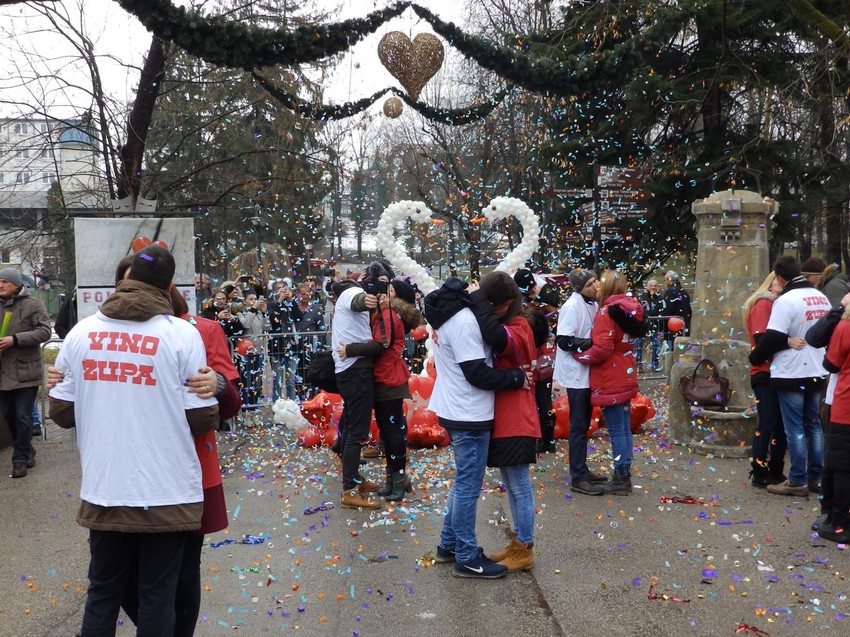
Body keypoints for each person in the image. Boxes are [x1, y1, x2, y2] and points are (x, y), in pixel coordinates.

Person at [48, 246, 220, 636]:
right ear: (169, 285)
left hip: (105, 488)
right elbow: (200, 418)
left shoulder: (81, 332)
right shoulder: (181, 334)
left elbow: (60, 413)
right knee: (157, 596)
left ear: (125, 281)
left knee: (103, 593)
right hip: (167, 491)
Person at [425, 277, 527, 579]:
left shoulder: (449, 315)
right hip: (468, 411)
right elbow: (476, 372)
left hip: (458, 407)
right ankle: (466, 557)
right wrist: (515, 378)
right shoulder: (466, 322)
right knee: (468, 486)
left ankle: (449, 544)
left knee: (463, 483)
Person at [469, 271, 541, 572]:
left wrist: (477, 301)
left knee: (519, 485)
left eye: (493, 304)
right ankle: (518, 543)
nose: (489, 310)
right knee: (513, 486)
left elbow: (497, 339)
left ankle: (524, 546)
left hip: (517, 419)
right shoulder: (514, 322)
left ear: (508, 303)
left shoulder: (520, 326)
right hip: (509, 419)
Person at [749, 256, 829, 497]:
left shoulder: (786, 300)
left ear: (781, 278)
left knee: (794, 427)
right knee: (814, 425)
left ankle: (796, 480)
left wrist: (755, 358)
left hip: (792, 371)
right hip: (817, 368)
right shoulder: (821, 297)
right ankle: (815, 476)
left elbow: (772, 336)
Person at [337, 278, 421, 501]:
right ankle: (393, 479)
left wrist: (350, 349)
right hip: (384, 376)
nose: (383, 294)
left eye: (389, 291)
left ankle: (399, 477)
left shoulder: (389, 314)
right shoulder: (384, 313)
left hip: (389, 378)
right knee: (387, 431)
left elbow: (381, 344)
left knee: (392, 431)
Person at [574, 269, 646, 495]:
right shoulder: (631, 309)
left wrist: (579, 356)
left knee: (617, 429)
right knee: (623, 428)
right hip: (625, 372)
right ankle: (624, 474)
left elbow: (602, 348)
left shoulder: (606, 312)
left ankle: (621, 477)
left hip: (609, 376)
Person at [743, 272, 802, 489]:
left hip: (777, 372)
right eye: (780, 281)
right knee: (768, 422)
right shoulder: (764, 303)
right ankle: (759, 470)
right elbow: (761, 339)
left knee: (778, 424)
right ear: (772, 282)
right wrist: (788, 341)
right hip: (764, 372)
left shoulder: (777, 305)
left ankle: (775, 470)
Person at [331, 265, 381, 509]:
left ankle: (354, 478)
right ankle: (349, 490)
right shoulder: (350, 294)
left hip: (351, 371)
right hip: (356, 372)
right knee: (357, 434)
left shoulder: (342, 299)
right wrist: (367, 298)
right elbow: (359, 301)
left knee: (351, 428)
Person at [554, 268, 607, 495]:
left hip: (586, 371)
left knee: (584, 424)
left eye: (596, 281)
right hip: (576, 374)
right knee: (577, 426)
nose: (595, 286)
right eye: (590, 284)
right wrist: (594, 345)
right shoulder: (571, 306)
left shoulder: (593, 304)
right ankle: (578, 476)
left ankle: (583, 470)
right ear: (578, 288)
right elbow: (564, 340)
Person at [805, 290, 850, 538]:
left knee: (840, 465)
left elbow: (831, 363)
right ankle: (832, 514)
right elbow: (815, 337)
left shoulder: (845, 327)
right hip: (838, 400)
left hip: (844, 403)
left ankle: (840, 521)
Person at [0, 267, 51, 478]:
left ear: (17, 284)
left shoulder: (33, 305)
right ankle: (27, 448)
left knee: (23, 416)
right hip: (2, 373)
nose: (1, 285)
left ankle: (20, 458)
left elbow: (45, 331)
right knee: (8, 415)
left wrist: (15, 339)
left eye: (5, 282)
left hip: (25, 371)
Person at [514, 269, 558, 453]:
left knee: (533, 402)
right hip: (548, 358)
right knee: (545, 401)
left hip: (532, 359)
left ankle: (537, 438)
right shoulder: (548, 305)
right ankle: (548, 440)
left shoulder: (524, 309)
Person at [267, 280, 303, 401]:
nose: (282, 291)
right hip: (276, 348)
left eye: (284, 288)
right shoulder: (271, 304)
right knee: (277, 381)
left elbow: (299, 317)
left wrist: (291, 300)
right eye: (278, 288)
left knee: (291, 380)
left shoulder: (292, 304)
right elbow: (272, 319)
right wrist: (279, 301)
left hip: (292, 346)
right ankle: (277, 406)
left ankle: (292, 406)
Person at [235, 292, 268, 408]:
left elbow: (268, 327)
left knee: (257, 381)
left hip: (258, 351)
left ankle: (255, 408)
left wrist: (265, 313)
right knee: (246, 381)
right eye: (251, 299)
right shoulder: (240, 313)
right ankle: (245, 409)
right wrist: (253, 309)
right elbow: (246, 324)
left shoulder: (259, 313)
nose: (254, 301)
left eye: (255, 299)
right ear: (244, 301)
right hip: (245, 352)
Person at [636, 279, 664, 371]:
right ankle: (638, 365)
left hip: (655, 325)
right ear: (648, 287)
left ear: (657, 287)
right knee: (639, 345)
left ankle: (655, 365)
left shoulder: (660, 298)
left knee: (656, 345)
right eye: (651, 285)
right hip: (642, 325)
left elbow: (661, 311)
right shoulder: (642, 297)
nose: (653, 287)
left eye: (655, 285)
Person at [663, 270, 691, 350]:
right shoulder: (684, 292)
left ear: (670, 280)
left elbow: (668, 309)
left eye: (665, 280)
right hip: (684, 324)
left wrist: (662, 324)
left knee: (671, 349)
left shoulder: (670, 292)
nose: (665, 283)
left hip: (673, 325)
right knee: (681, 349)